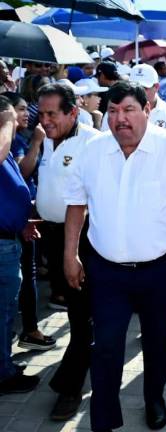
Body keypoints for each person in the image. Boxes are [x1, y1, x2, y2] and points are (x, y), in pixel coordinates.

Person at [62, 81, 166, 431]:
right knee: (107, 345)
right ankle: (104, 414)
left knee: (158, 341)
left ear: (146, 110)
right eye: (112, 111)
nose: (119, 119)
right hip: (107, 270)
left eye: (128, 110)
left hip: (160, 270)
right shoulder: (93, 152)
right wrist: (71, 255)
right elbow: (76, 204)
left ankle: (154, 396)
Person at [33, 83, 102, 420]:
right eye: (41, 113)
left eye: (51, 114)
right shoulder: (46, 139)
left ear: (73, 111)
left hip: (81, 240)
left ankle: (70, 388)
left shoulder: (93, 143)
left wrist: (72, 250)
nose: (44, 120)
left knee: (81, 316)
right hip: (51, 236)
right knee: (78, 313)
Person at [0, 96, 40, 395]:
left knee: (6, 310)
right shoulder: (3, 140)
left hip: (11, 237)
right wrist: (6, 122)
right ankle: (3, 374)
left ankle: (5, 365)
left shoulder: (11, 146)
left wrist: (22, 219)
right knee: (2, 312)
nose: (21, 119)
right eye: (17, 115)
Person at [100, 64, 166, 134]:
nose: (138, 93)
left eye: (144, 88)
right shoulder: (114, 113)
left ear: (156, 87)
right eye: (133, 88)